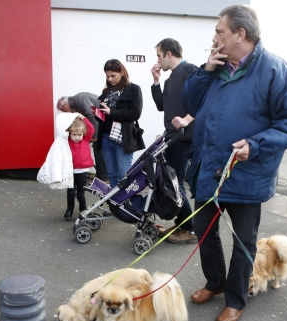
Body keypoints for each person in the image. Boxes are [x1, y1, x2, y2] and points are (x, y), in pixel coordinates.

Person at [182, 5, 287, 321]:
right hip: (209, 168)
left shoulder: (275, 70)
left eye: (220, 31)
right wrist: (203, 71)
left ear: (241, 34)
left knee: (243, 241)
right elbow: (191, 105)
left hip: (246, 172)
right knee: (204, 232)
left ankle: (236, 298)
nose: (214, 38)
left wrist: (256, 144)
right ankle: (215, 282)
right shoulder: (215, 67)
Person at [150, 38, 198, 244]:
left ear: (169, 53)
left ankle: (189, 229)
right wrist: (156, 81)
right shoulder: (170, 80)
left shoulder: (190, 71)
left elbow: (202, 100)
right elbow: (161, 106)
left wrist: (187, 119)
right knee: (172, 183)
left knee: (175, 185)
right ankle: (182, 224)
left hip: (183, 139)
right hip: (171, 138)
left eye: (159, 56)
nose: (158, 61)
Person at [95, 59, 143, 188]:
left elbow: (135, 114)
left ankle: (127, 203)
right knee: (111, 174)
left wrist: (112, 112)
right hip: (105, 137)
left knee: (124, 174)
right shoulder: (106, 92)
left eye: (113, 76)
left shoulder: (134, 89)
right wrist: (98, 113)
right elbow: (104, 117)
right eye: (107, 76)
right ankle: (115, 204)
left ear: (122, 72)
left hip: (123, 138)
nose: (110, 79)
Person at [57, 93, 109, 184]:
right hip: (99, 122)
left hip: (102, 121)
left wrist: (94, 136)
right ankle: (101, 176)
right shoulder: (74, 106)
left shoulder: (78, 99)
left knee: (98, 149)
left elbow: (91, 115)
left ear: (65, 105)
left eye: (63, 110)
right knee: (96, 150)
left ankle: (104, 178)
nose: (65, 113)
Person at [64, 115, 95, 221]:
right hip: (70, 172)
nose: (77, 137)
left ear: (84, 134)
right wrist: (70, 119)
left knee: (81, 193)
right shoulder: (67, 141)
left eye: (79, 135)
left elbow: (91, 127)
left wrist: (82, 118)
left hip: (82, 173)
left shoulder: (86, 139)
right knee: (71, 193)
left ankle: (83, 210)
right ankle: (69, 209)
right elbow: (62, 130)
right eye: (74, 135)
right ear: (69, 134)